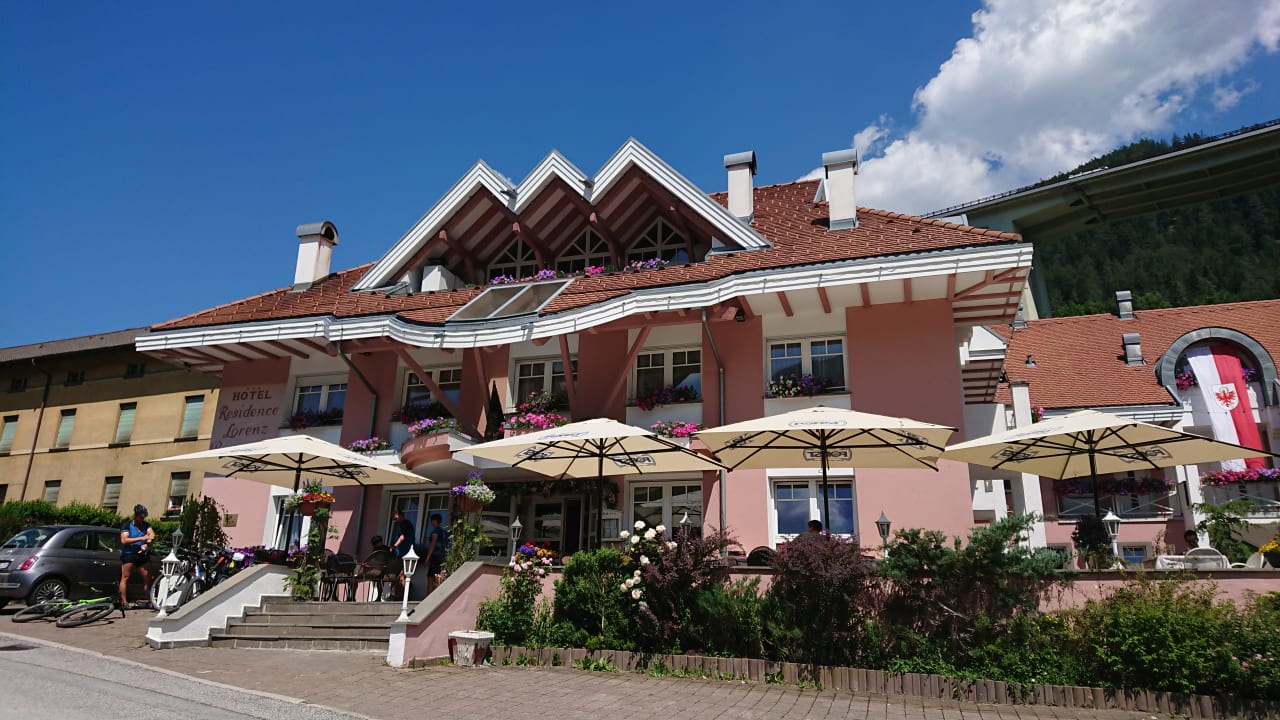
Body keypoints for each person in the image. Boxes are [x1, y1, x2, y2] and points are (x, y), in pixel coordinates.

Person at [119, 504, 155, 609]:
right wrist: (141, 538)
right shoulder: (127, 525)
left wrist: (147, 543)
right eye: (141, 516)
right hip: (129, 553)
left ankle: (149, 600)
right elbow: (124, 540)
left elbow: (151, 535)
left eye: (144, 517)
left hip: (141, 554)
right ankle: (124, 602)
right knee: (125, 577)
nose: (142, 519)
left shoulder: (146, 525)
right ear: (136, 515)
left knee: (148, 578)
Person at [389, 511, 415, 600]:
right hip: (405, 553)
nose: (395, 520)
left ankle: (403, 597)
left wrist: (394, 546)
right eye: (394, 519)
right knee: (401, 575)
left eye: (396, 518)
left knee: (403, 575)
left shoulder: (404, 524)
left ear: (401, 516)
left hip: (405, 553)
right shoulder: (405, 524)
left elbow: (402, 537)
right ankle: (399, 596)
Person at [424, 513, 448, 592]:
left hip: (436, 556)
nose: (431, 522)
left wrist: (427, 558)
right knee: (438, 576)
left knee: (431, 577)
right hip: (442, 556)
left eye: (432, 520)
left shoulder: (436, 531)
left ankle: (429, 595)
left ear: (435, 521)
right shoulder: (443, 532)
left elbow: (433, 544)